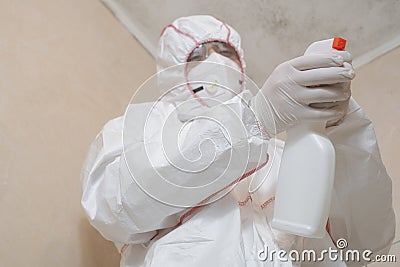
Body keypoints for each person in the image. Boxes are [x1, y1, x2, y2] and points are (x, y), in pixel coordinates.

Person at [81, 15, 395, 266]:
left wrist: (343, 128)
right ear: (171, 70)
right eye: (199, 53)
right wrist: (254, 120)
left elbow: (366, 242)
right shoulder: (141, 129)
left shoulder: (283, 151)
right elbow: (117, 208)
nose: (217, 60)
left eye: (228, 52)